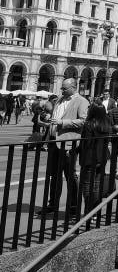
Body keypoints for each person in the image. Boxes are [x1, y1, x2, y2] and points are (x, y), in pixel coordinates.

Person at [40, 78, 90, 215]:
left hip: (69, 143)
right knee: (54, 175)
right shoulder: (59, 100)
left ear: (74, 87)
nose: (62, 90)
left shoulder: (82, 101)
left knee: (70, 175)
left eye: (64, 88)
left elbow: (84, 121)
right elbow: (56, 116)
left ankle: (73, 206)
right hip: (53, 141)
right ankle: (52, 204)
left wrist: (62, 122)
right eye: (62, 88)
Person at [78, 103, 113, 213]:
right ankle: (95, 211)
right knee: (97, 185)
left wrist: (76, 150)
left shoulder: (89, 124)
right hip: (102, 156)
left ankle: (89, 211)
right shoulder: (107, 123)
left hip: (90, 157)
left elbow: (86, 142)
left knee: (87, 185)